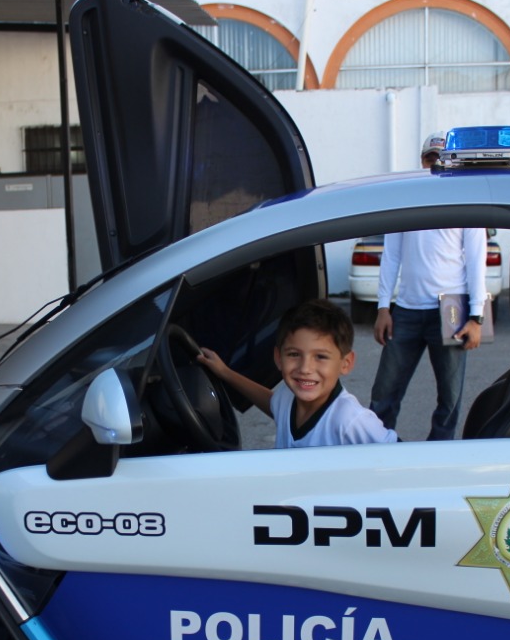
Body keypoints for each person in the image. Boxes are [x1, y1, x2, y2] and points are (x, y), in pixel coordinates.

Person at [368, 131, 486, 440]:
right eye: (431, 158)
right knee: (384, 394)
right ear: (422, 161)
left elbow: (476, 261)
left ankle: (439, 456)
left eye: (444, 158)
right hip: (406, 309)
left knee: (449, 398)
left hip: (452, 307)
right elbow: (391, 255)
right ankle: (376, 453)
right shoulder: (406, 200)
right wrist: (383, 307)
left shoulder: (466, 202)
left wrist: (476, 317)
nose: (437, 164)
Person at [197, 298, 397, 448]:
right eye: (294, 354)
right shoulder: (287, 395)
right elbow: (274, 404)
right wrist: (225, 372)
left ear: (345, 363)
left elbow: (403, 458)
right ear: (278, 358)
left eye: (320, 357)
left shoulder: (350, 420)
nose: (305, 369)